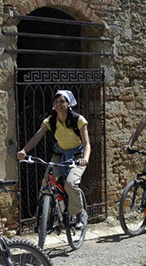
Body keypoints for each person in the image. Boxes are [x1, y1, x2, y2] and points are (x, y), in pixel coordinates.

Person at [16, 90, 90, 229]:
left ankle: (80, 213)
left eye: (62, 101)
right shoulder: (50, 120)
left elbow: (87, 144)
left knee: (70, 183)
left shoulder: (78, 119)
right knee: (47, 183)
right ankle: (47, 215)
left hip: (77, 156)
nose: (58, 104)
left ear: (68, 104)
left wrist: (84, 159)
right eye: (56, 102)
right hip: (59, 154)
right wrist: (24, 151)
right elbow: (36, 137)